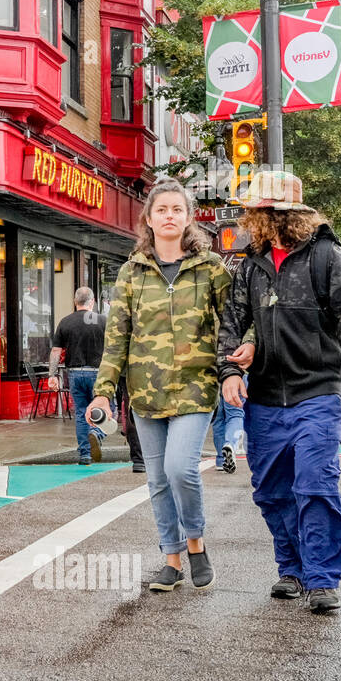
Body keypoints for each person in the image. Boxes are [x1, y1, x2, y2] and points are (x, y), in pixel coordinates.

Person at [217, 171, 341, 615]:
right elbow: (231, 323)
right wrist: (230, 369)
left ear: (279, 216)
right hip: (265, 396)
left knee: (314, 484)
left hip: (318, 393)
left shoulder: (328, 257)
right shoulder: (251, 265)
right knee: (272, 491)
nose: (250, 222)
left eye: (256, 214)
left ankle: (322, 579)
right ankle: (292, 568)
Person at [89, 179, 233, 593]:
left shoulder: (210, 269)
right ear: (148, 219)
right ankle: (171, 560)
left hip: (195, 386)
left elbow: (233, 325)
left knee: (180, 469)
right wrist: (104, 389)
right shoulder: (131, 273)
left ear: (188, 217)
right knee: (156, 479)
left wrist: (237, 365)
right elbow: (116, 338)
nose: (169, 216)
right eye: (162, 210)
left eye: (177, 209)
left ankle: (196, 543)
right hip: (144, 391)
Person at [48, 287, 107, 464]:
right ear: (93, 301)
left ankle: (85, 454)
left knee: (81, 413)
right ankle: (97, 433)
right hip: (100, 373)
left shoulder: (65, 322)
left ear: (75, 302)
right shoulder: (104, 321)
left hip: (75, 373)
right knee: (107, 408)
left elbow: (56, 351)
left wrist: (52, 375)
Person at [211, 382, 246, 472]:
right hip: (235, 374)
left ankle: (221, 459)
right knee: (235, 414)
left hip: (214, 376)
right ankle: (230, 444)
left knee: (218, 419)